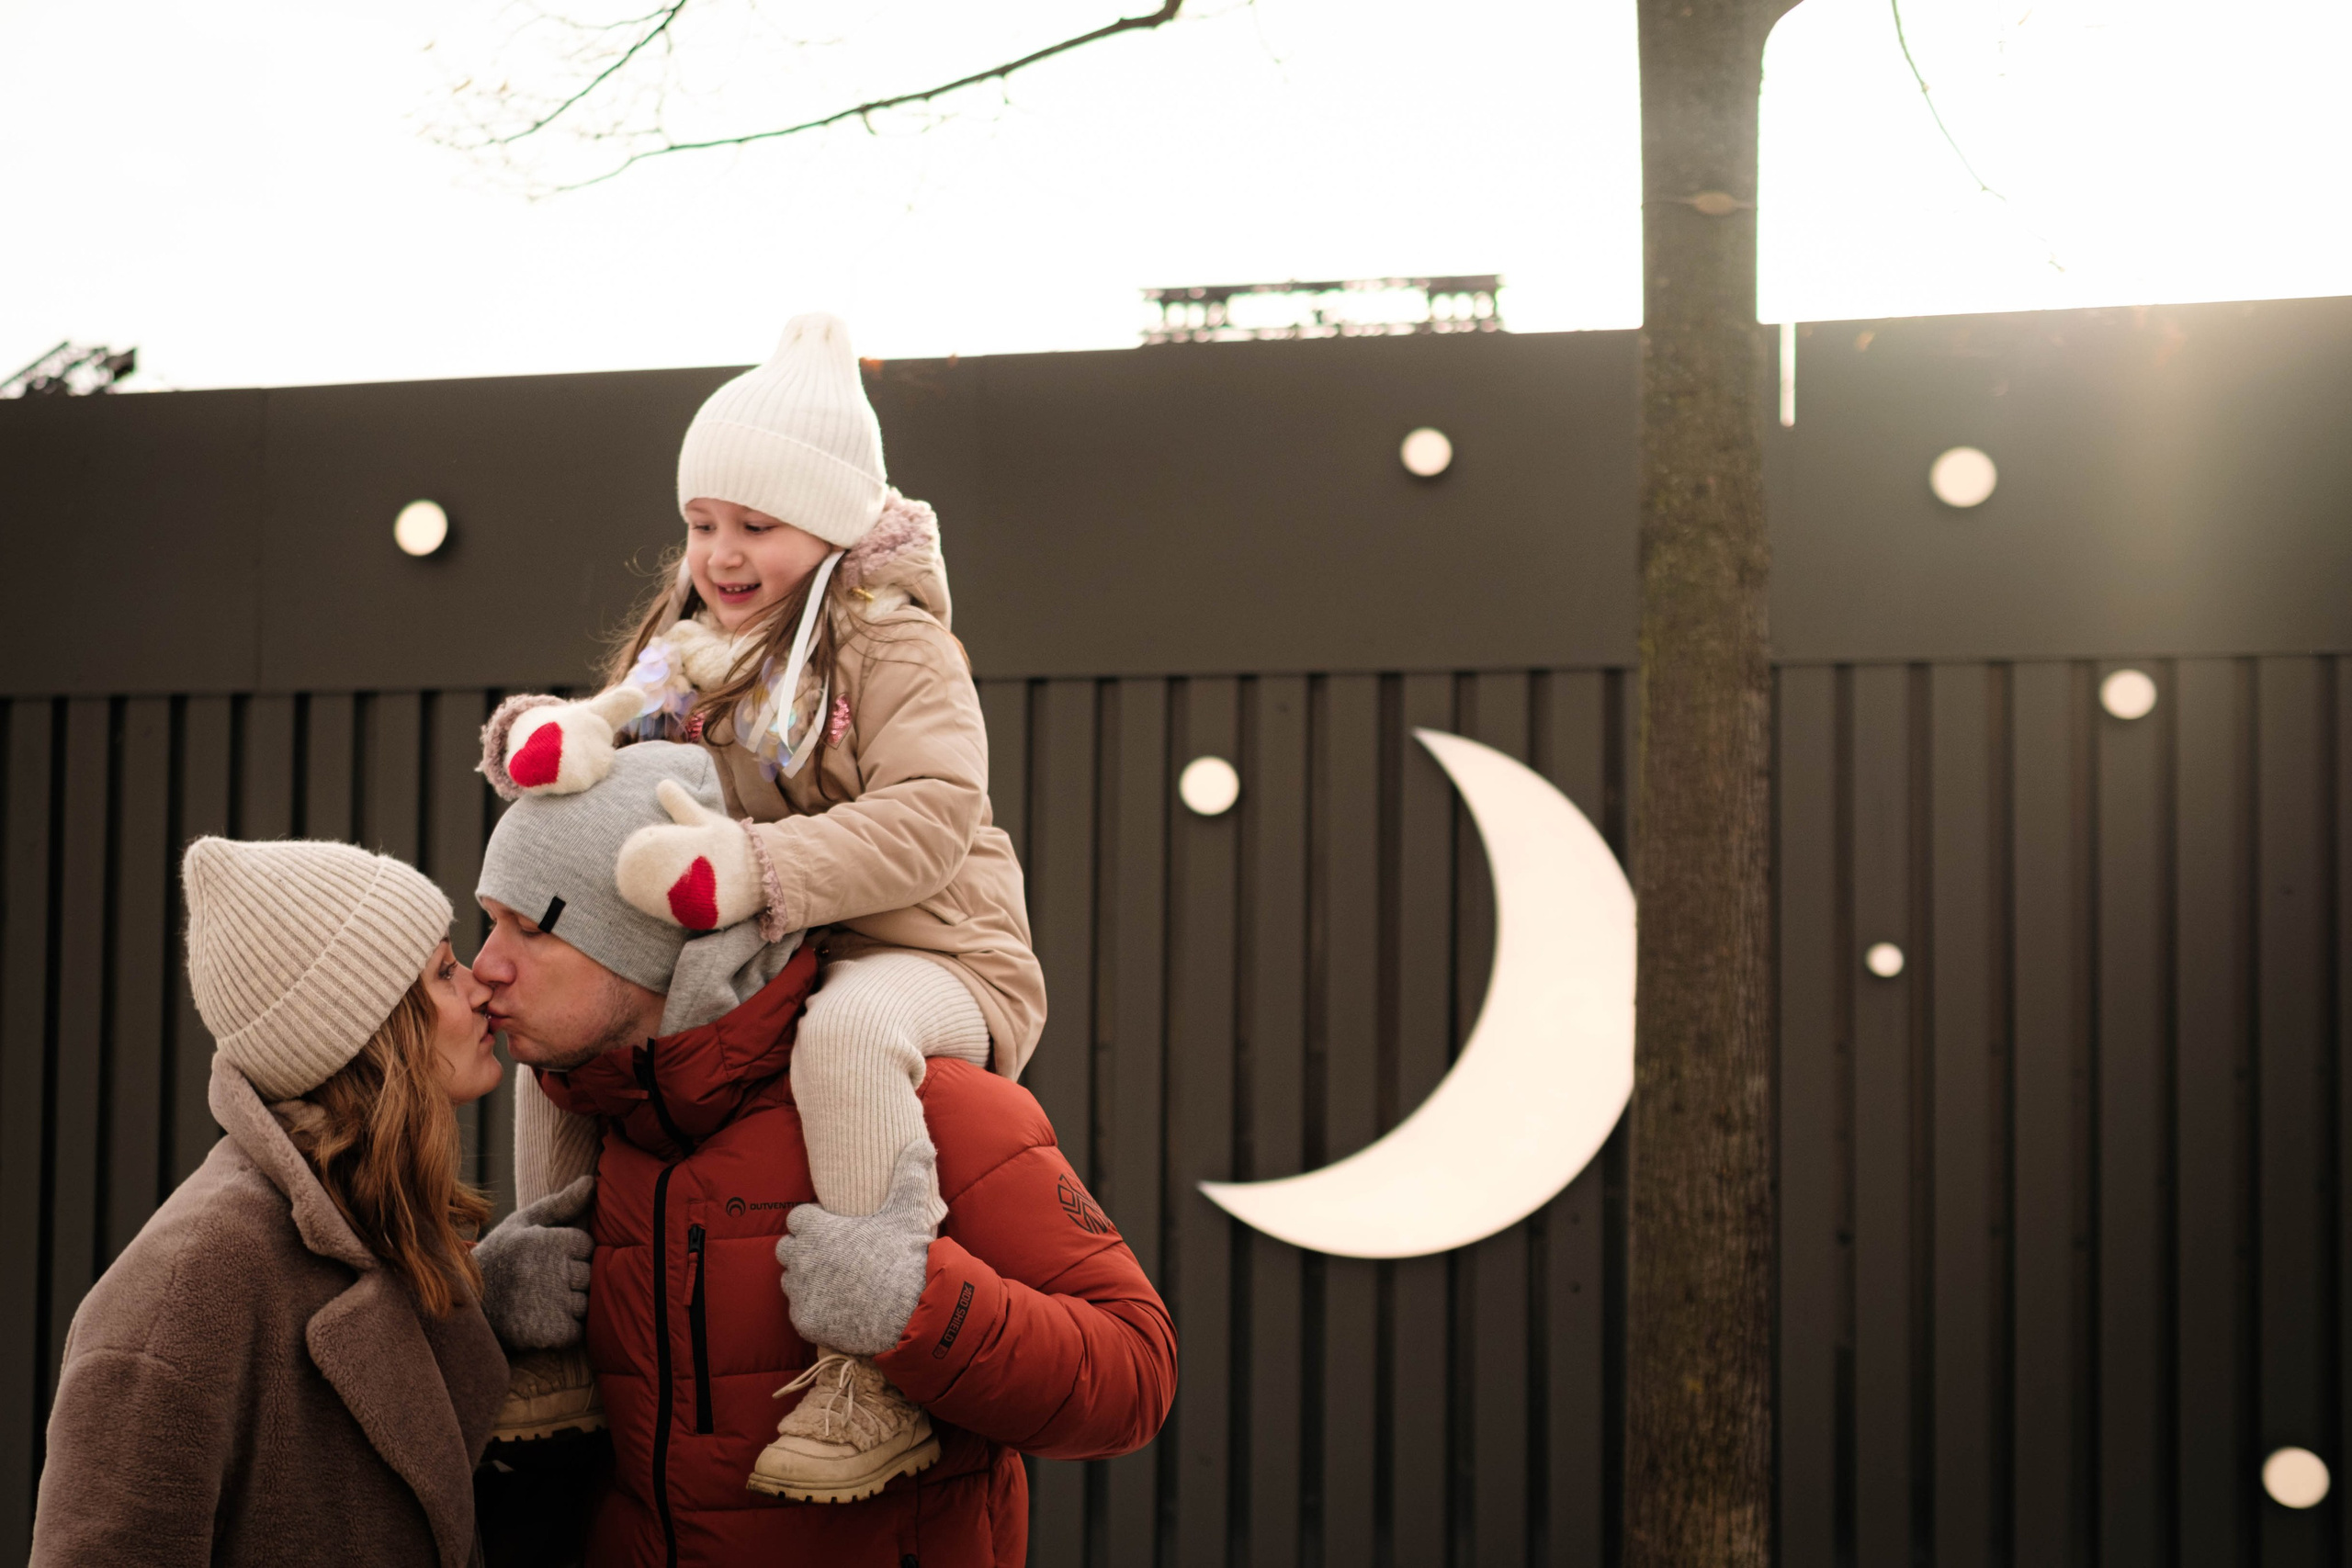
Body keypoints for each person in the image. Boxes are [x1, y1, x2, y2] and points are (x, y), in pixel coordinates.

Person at [477, 309, 1046, 1499]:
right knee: (569, 1035)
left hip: (938, 952)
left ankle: (872, 1357)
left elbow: (934, 815)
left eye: (757, 525)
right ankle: (555, 1322)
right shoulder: (697, 653)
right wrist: (557, 739)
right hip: (778, 946)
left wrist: (756, 868)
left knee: (849, 1035)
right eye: (702, 523)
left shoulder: (894, 648)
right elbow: (612, 749)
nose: (722, 554)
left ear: (832, 525)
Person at [468, 739, 1172, 1565]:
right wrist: (484, 1311)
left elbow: (1134, 1374)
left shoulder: (925, 1104)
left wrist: (918, 1303)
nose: (485, 966)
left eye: (532, 928)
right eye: (489, 921)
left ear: (660, 941)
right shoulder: (592, 1123)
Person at [30, 839, 512, 1567]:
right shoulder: (187, 1285)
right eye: (445, 969)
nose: (481, 987)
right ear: (368, 1028)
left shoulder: (377, 1222)